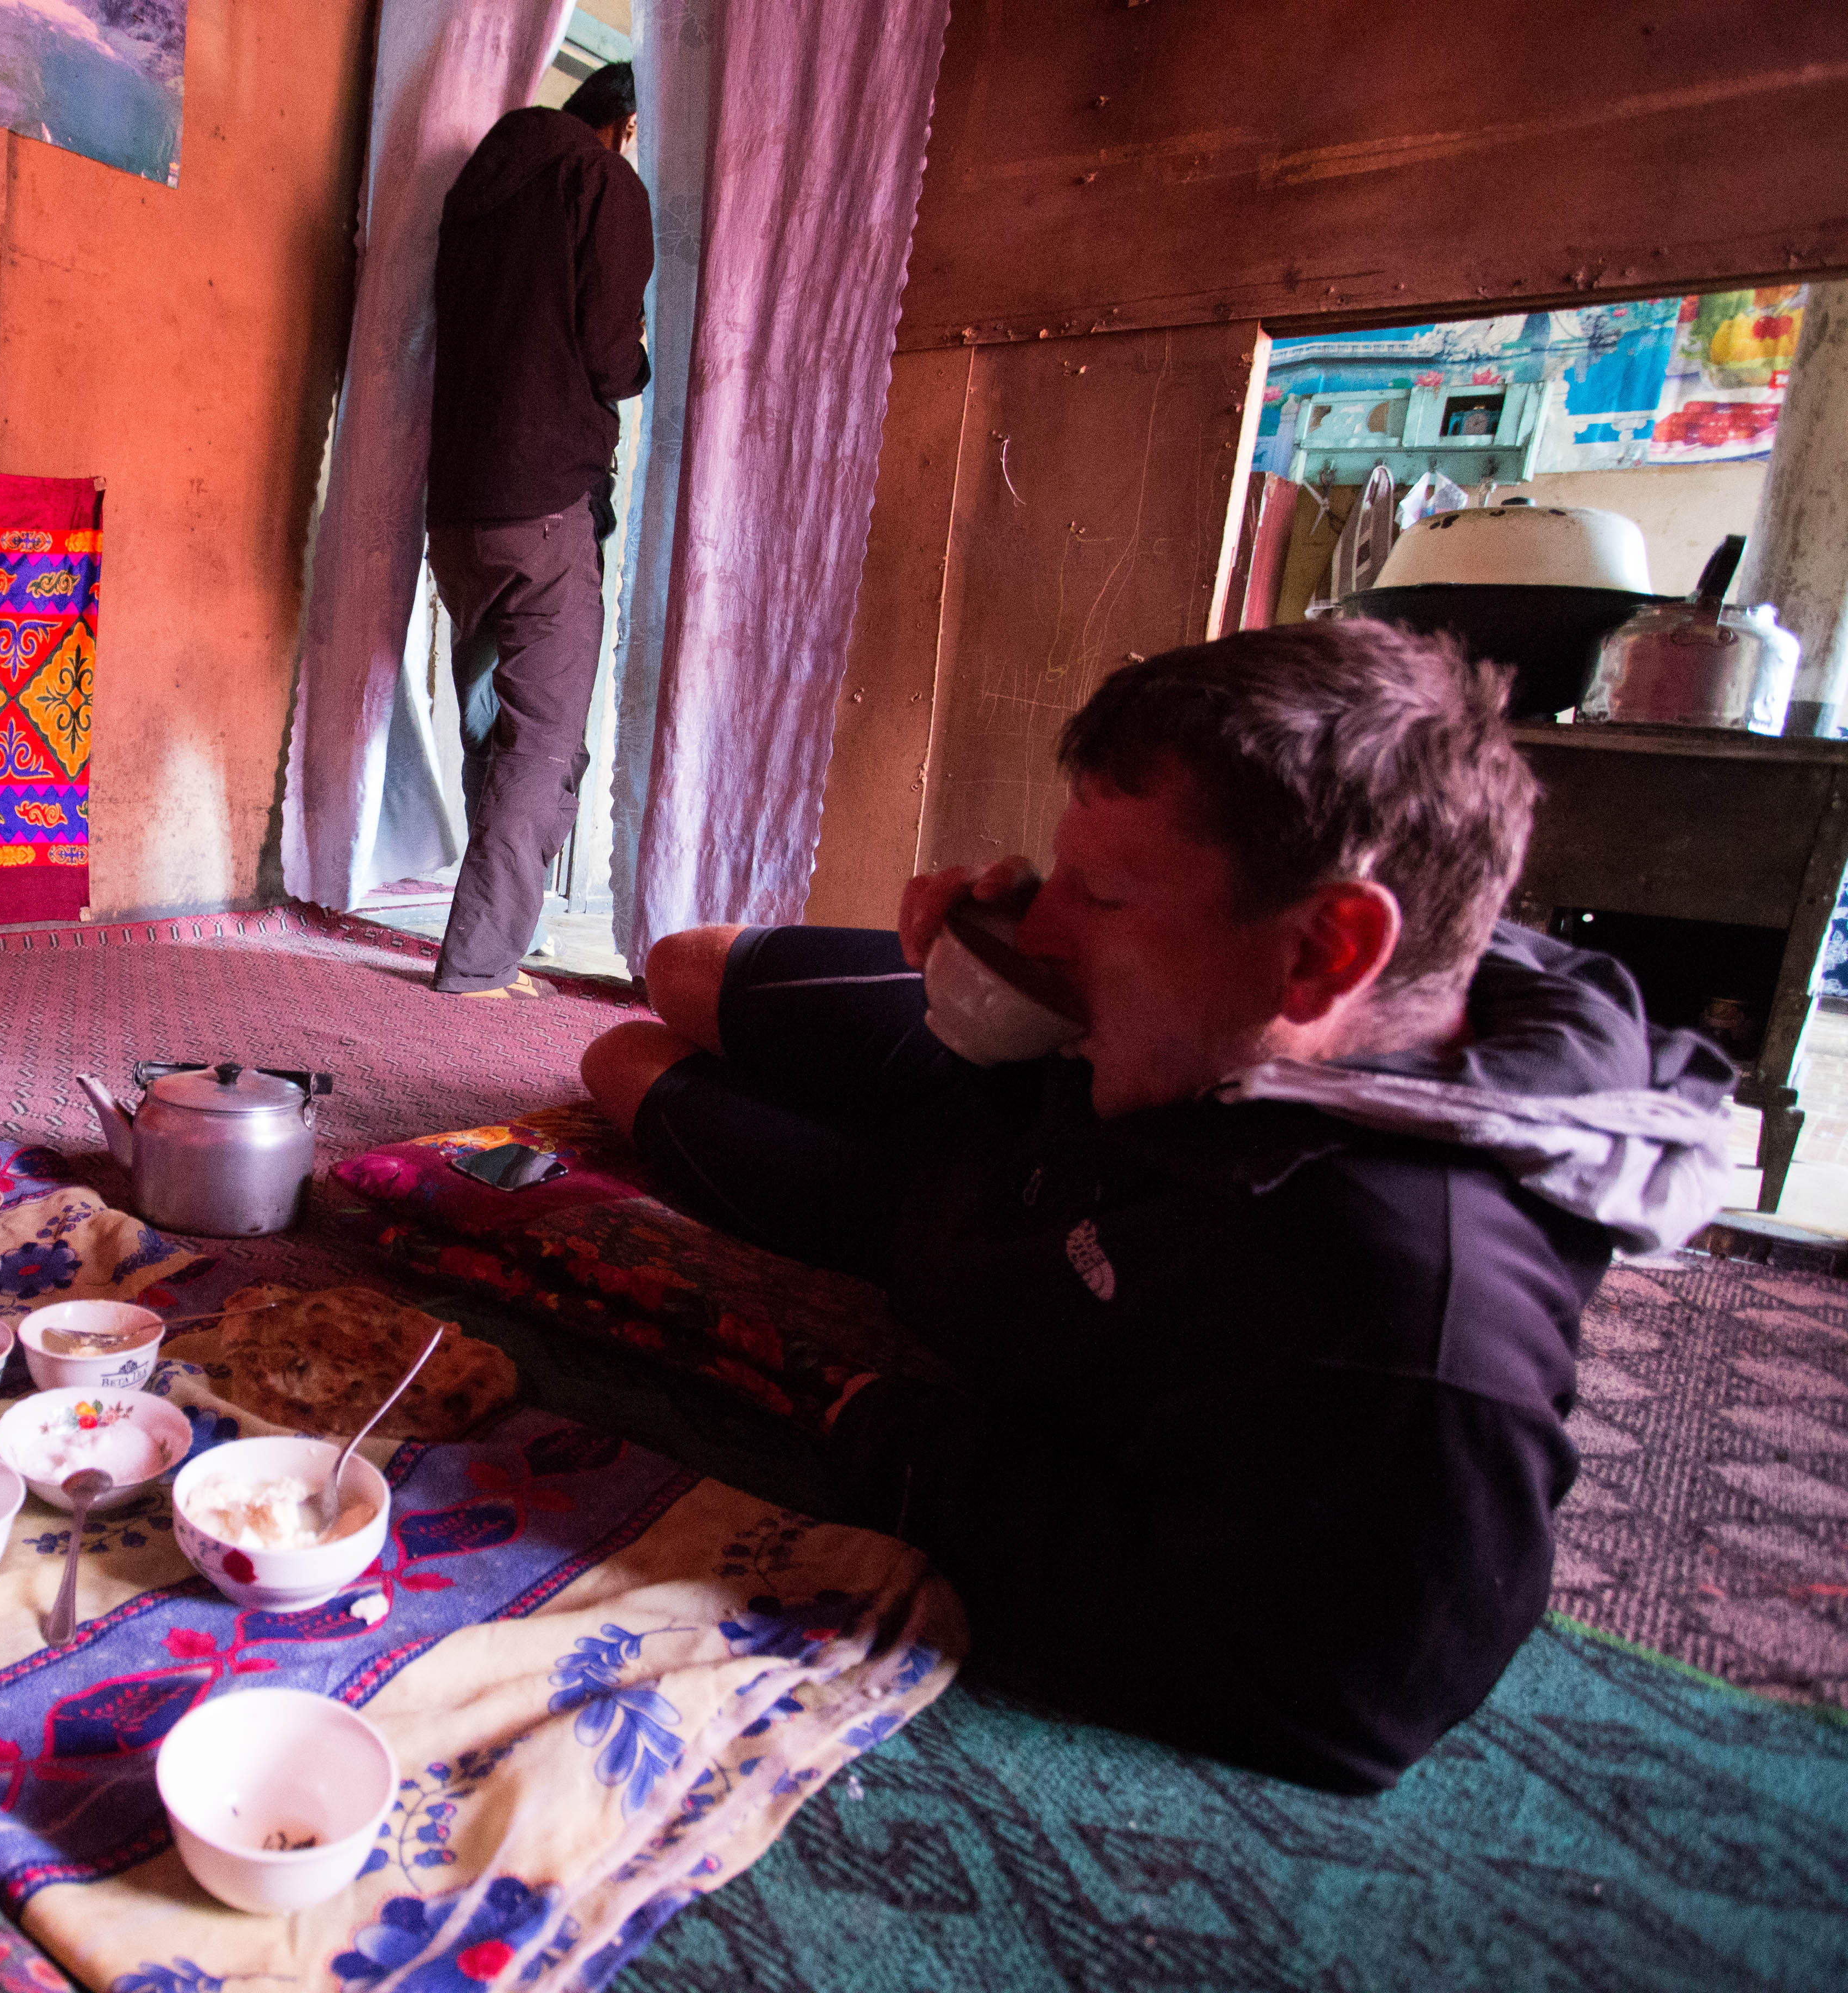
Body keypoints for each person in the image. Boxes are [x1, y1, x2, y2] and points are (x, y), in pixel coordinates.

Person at [578, 620, 1735, 1792]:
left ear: (1330, 949)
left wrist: (900, 1439)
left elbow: (1342, 1697)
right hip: (1031, 1093)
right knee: (680, 969)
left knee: (620, 1064)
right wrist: (998, 972)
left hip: (927, 1223)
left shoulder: (1410, 1318)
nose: (1040, 921)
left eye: (1103, 892)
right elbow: (1079, 978)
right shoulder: (1221, 1007)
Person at [422, 63, 652, 998]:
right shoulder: (604, 182)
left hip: (459, 509)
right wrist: (639, 364)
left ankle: (485, 929)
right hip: (549, 502)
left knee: (492, 726)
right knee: (544, 740)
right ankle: (479, 966)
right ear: (627, 124)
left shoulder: (478, 182)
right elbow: (607, 354)